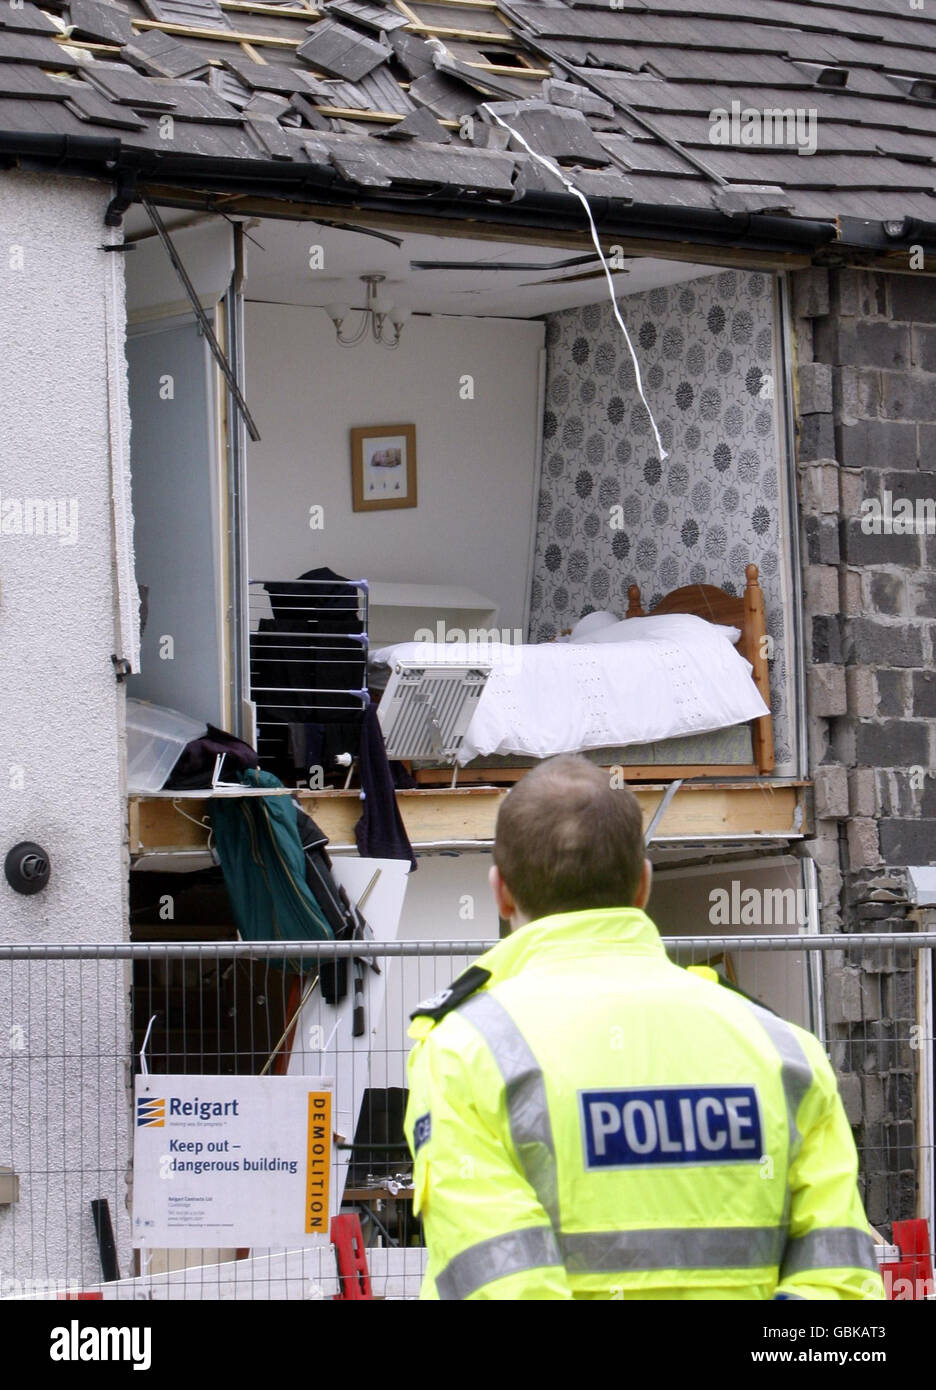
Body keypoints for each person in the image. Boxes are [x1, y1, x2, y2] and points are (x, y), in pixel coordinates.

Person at [403, 754, 884, 1301]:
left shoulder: (465, 1053)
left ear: (500, 891)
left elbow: (501, 1289)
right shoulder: (783, 1050)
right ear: (643, 885)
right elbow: (840, 1285)